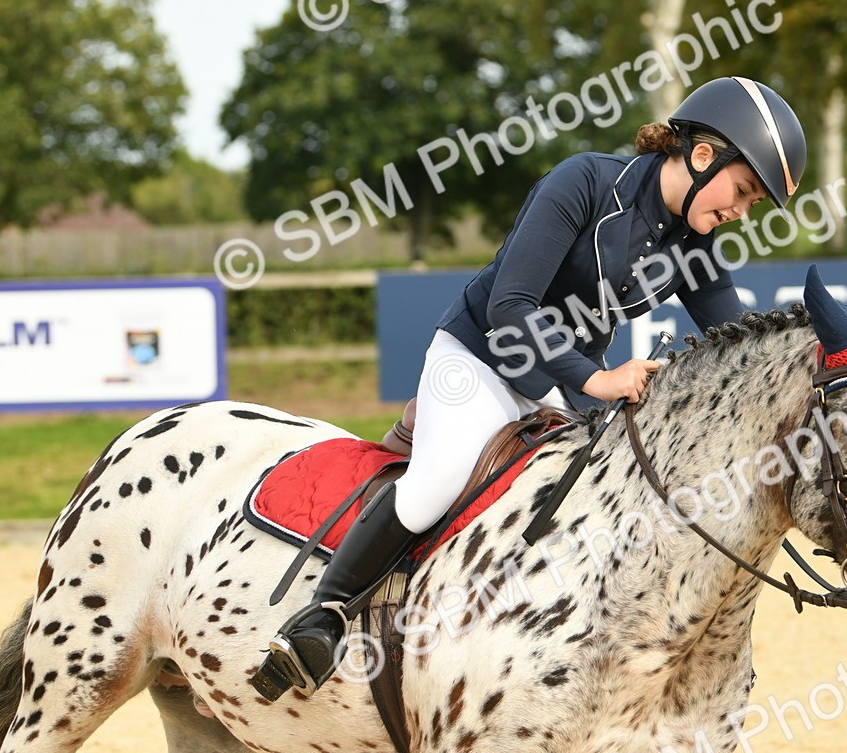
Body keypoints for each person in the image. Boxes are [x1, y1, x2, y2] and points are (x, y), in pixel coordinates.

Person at [253, 76, 807, 700]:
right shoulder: (585, 182)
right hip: (479, 360)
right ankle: (322, 618)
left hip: (563, 392)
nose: (741, 211)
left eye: (752, 202)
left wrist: (813, 351)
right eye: (744, 191)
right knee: (438, 479)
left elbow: (734, 338)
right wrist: (597, 379)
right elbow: (511, 308)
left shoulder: (694, 240)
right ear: (703, 156)